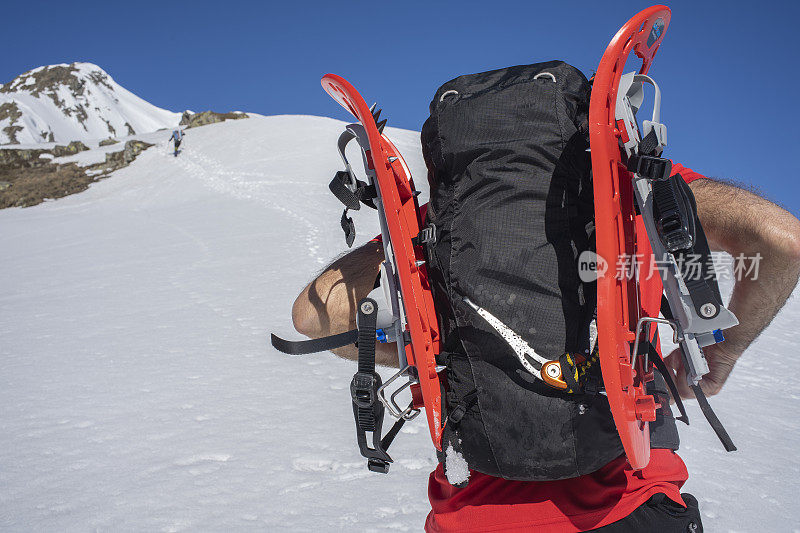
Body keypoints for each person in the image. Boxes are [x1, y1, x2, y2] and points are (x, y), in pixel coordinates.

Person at [290, 161, 800, 531]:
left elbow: (317, 315)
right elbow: (781, 239)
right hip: (628, 507)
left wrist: (436, 347)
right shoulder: (635, 184)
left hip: (475, 518)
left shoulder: (444, 222)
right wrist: (719, 356)